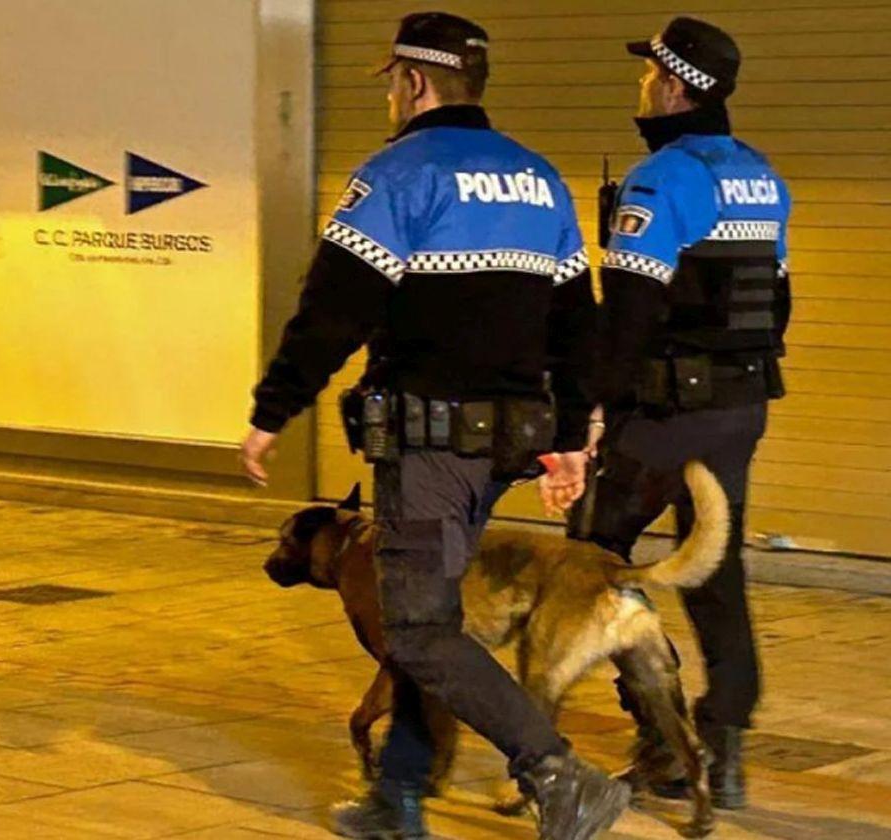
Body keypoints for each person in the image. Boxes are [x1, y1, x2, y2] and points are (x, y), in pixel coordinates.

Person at [240, 12, 628, 839]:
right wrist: (570, 436)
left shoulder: (396, 177)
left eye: (391, 81)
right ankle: (399, 795)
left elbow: (332, 309)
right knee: (431, 618)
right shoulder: (539, 180)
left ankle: (557, 773)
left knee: (415, 632)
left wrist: (275, 410)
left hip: (429, 445)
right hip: (503, 446)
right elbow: (574, 324)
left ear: (413, 82)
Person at [567, 16, 792, 810]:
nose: (641, 89)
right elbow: (780, 301)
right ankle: (725, 751)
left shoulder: (658, 179)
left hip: (664, 413)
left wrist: (589, 413)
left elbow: (627, 314)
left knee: (595, 565)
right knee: (714, 566)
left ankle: (665, 746)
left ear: (674, 86)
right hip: (740, 408)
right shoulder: (763, 177)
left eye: (647, 76)